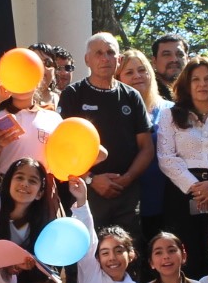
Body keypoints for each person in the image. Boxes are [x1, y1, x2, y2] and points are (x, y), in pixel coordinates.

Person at [59, 33, 155, 243]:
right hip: (86, 191)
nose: (105, 58)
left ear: (119, 60)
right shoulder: (72, 95)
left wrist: (127, 178)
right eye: (99, 53)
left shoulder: (131, 96)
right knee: (88, 252)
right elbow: (62, 149)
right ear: (87, 60)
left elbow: (146, 147)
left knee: (128, 255)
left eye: (111, 52)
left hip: (127, 194)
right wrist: (92, 179)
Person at [157, 55, 208, 272]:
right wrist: (195, 187)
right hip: (182, 193)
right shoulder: (170, 115)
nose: (202, 84)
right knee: (188, 256)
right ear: (187, 84)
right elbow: (166, 157)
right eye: (196, 79)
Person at [68, 180, 141, 283]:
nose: (112, 258)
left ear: (131, 254)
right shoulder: (90, 274)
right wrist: (82, 201)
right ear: (98, 258)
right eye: (105, 253)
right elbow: (88, 239)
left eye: (118, 250)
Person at [118, 47, 170, 245]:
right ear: (119, 78)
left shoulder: (170, 111)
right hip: (127, 201)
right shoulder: (113, 114)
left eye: (142, 70)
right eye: (129, 72)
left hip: (165, 200)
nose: (137, 76)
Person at [0, 75, 62, 177]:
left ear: (38, 82)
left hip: (40, 187)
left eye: (27, 79)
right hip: (5, 186)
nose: (22, 85)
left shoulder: (54, 118)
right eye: (16, 79)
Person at [151, 34, 188, 101]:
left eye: (180, 54)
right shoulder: (147, 94)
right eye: (166, 55)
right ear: (154, 61)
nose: (174, 59)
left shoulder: (199, 91)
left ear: (187, 59)